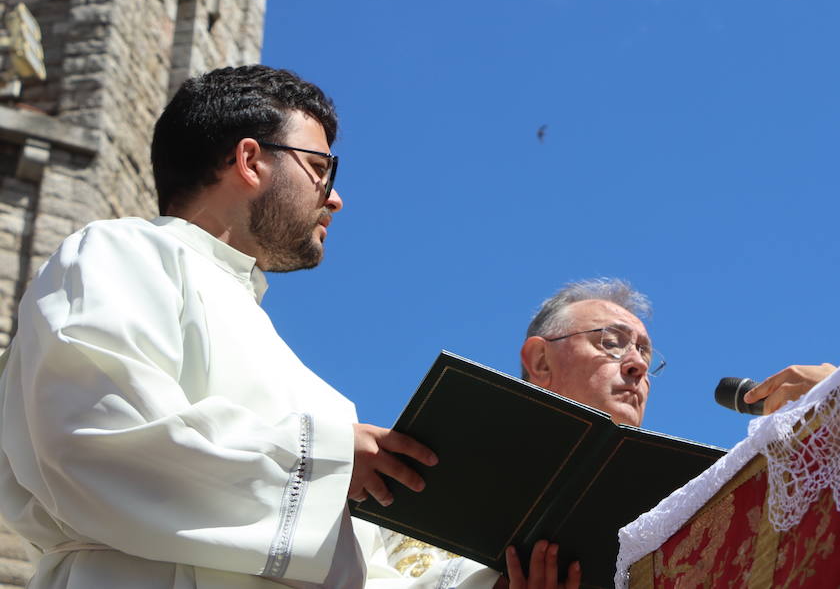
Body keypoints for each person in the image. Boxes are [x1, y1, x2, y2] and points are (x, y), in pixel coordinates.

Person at [0, 65, 490, 589]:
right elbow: (93, 435)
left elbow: (358, 573)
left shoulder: (305, 386)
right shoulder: (121, 252)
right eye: (323, 169)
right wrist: (326, 457)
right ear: (250, 160)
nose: (335, 197)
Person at [400, 280, 834, 589]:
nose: (637, 366)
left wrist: (839, 402)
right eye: (610, 342)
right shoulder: (425, 469)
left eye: (644, 353)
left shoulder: (688, 505)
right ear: (541, 360)